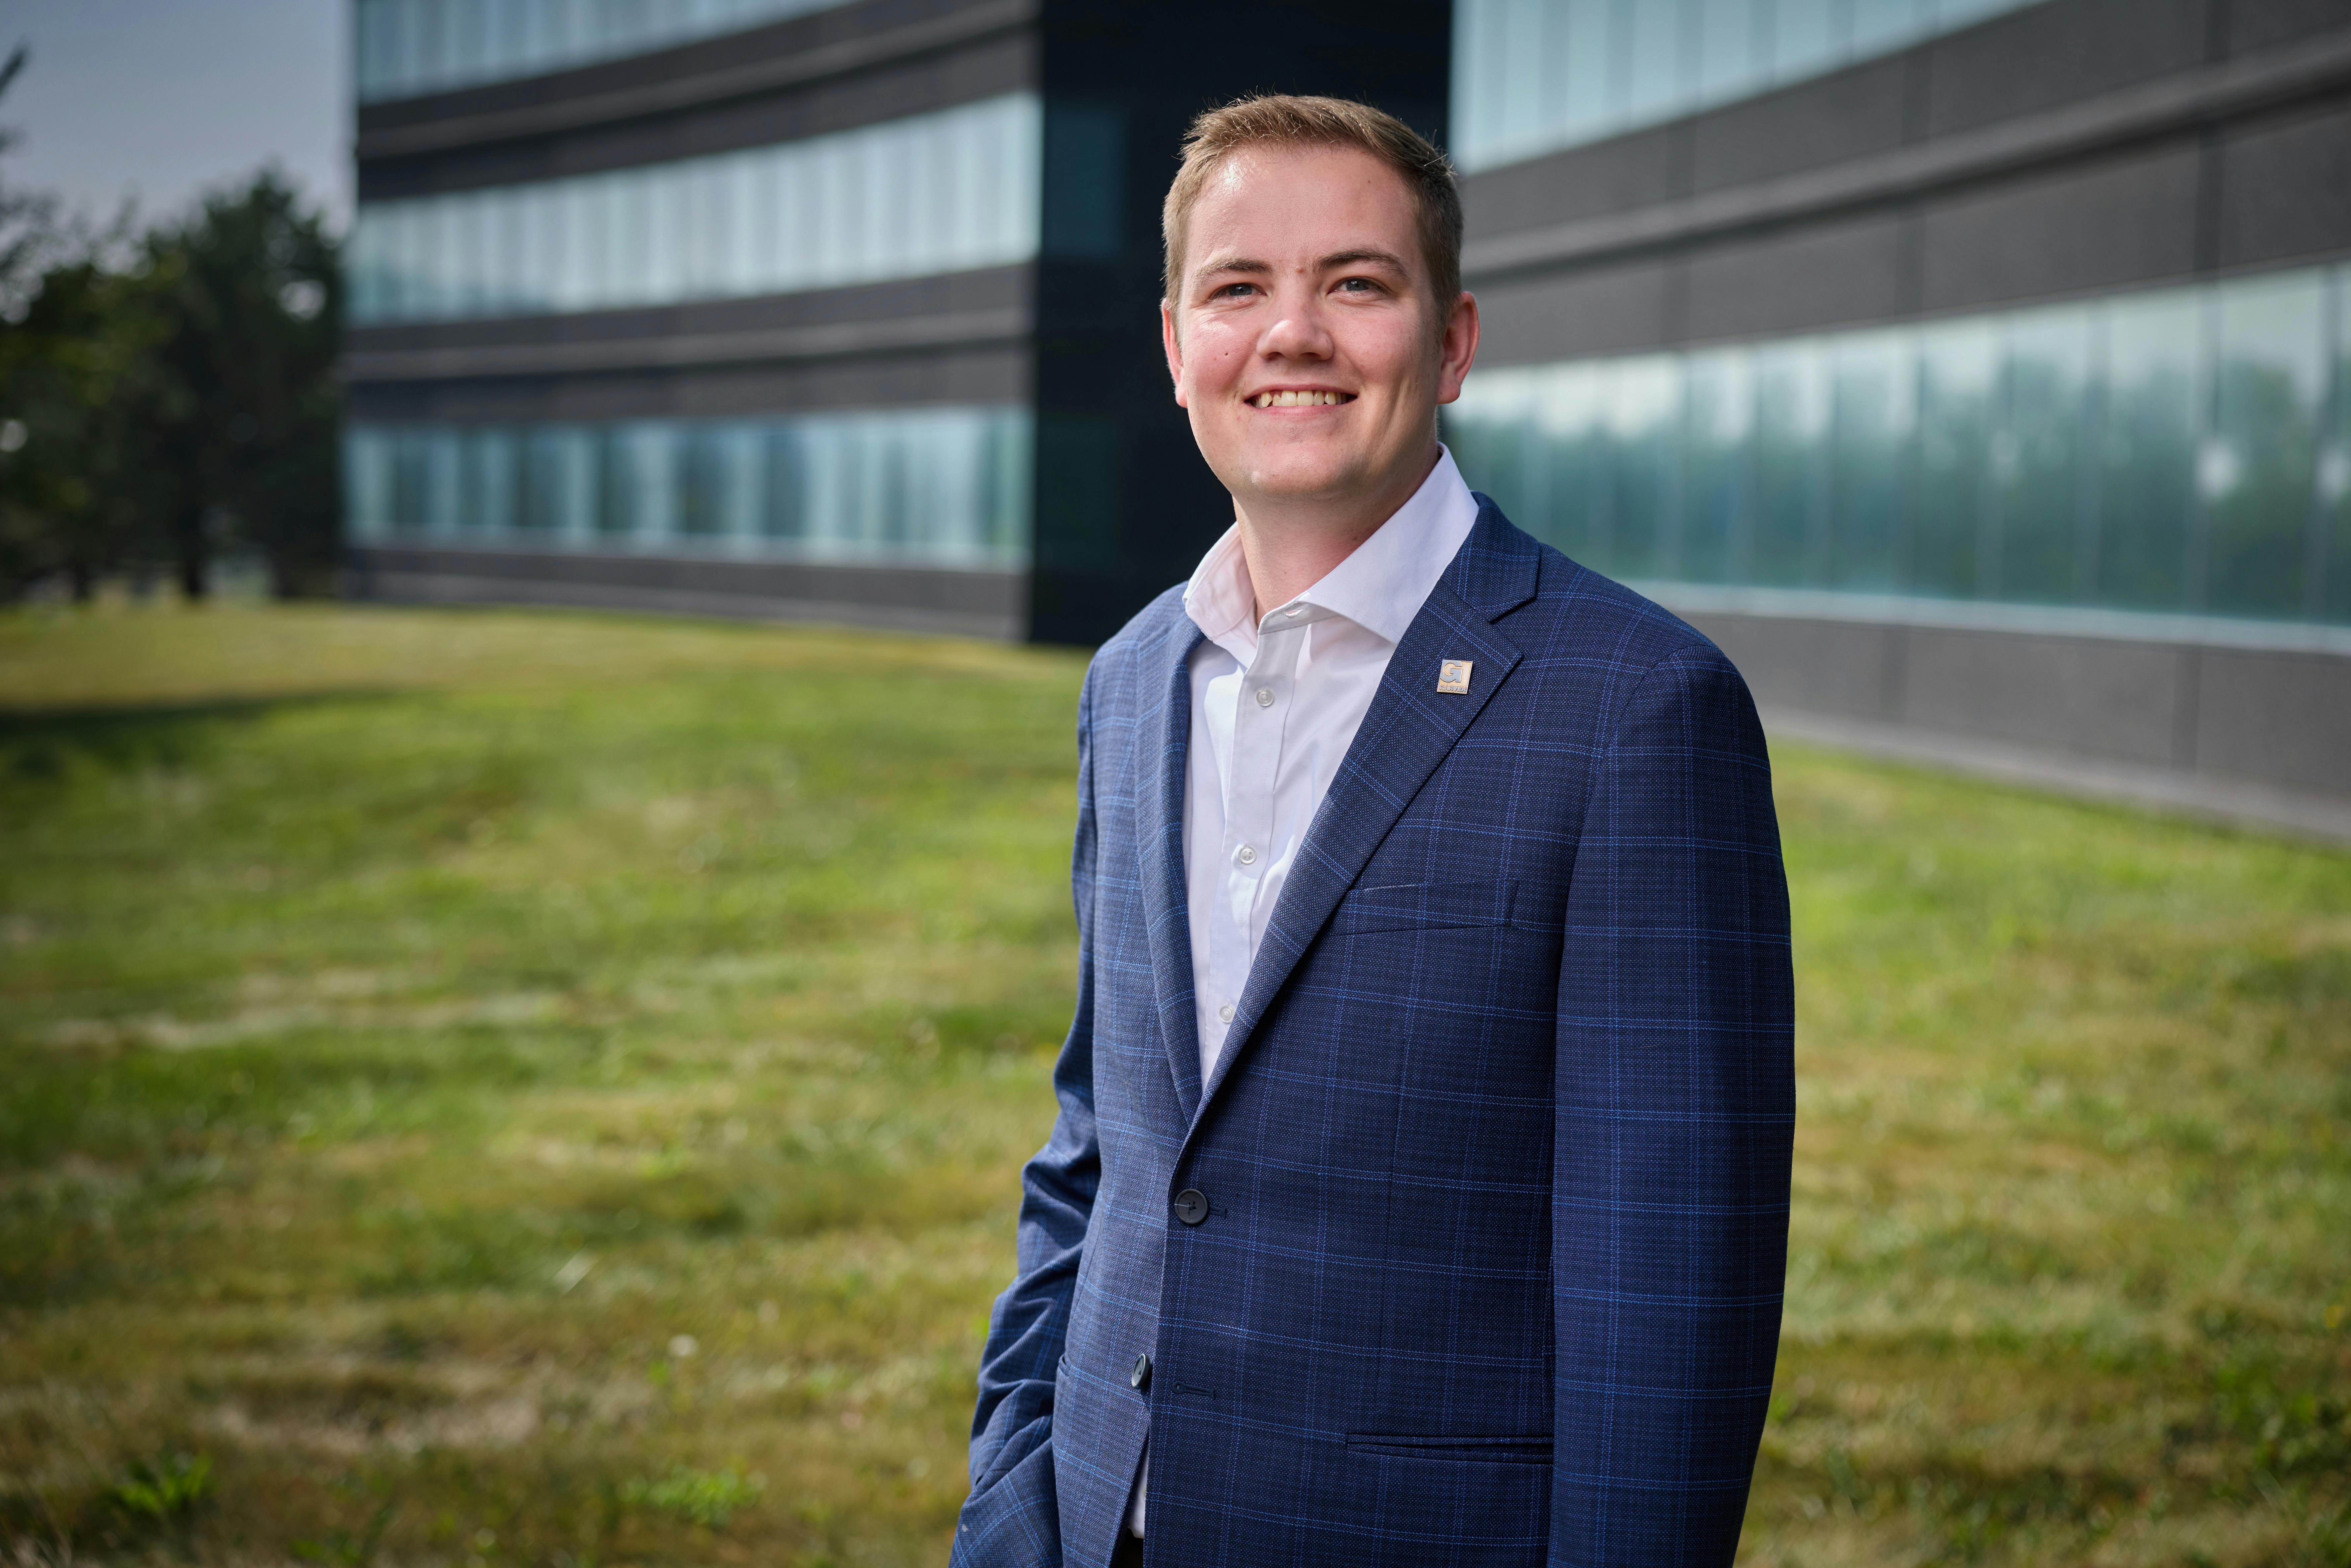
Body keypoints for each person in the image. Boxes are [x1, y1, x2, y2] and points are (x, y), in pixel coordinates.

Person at [953, 94, 1794, 1568]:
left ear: (1452, 339)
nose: (1293, 334)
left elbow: (1668, 1284)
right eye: (1237, 288)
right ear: (1174, 349)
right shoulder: (1132, 679)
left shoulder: (1640, 709)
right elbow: (1101, 1146)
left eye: (1356, 282)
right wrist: (1015, 1490)